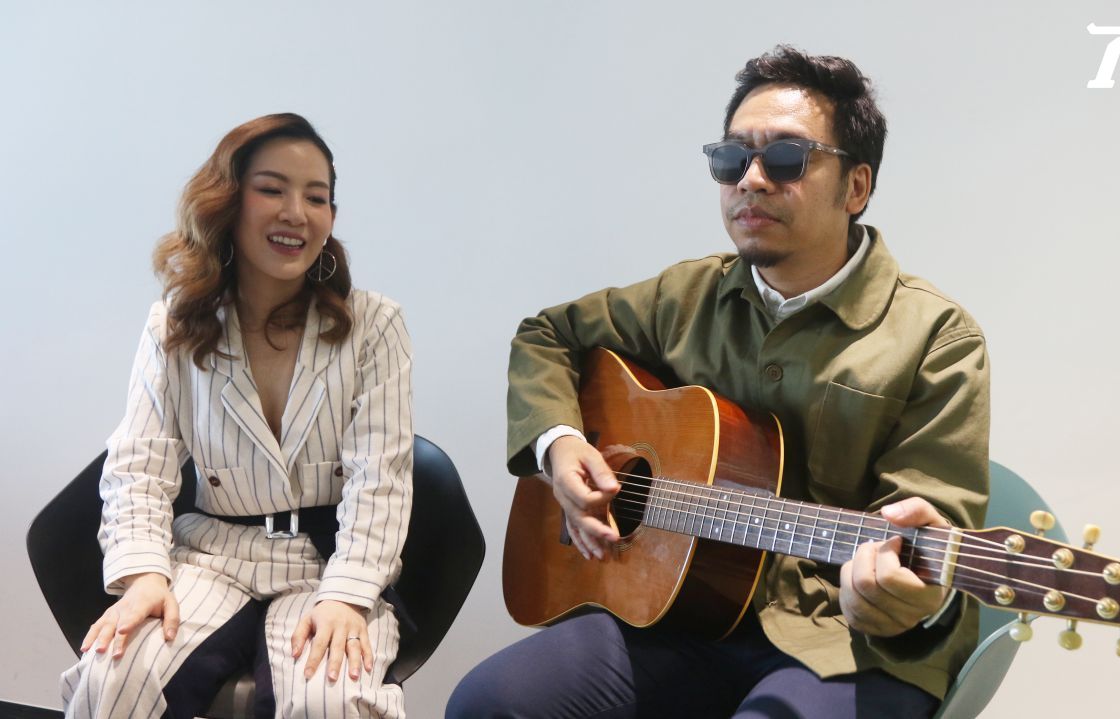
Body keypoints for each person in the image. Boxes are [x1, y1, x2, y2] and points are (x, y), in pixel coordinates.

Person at [448, 45, 989, 718]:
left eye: (786, 158)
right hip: (683, 611)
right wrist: (560, 446)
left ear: (856, 187)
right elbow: (547, 335)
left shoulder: (937, 337)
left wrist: (897, 594)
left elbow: (931, 529)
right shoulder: (686, 294)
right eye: (732, 159)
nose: (751, 180)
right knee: (489, 703)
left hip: (842, 640)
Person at [60, 114, 414, 719]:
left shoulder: (374, 325)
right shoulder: (174, 322)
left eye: (317, 198)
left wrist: (349, 595)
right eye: (272, 189)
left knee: (329, 699)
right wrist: (144, 576)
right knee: (111, 676)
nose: (296, 213)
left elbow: (381, 478)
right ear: (227, 200)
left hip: (324, 561)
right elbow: (138, 467)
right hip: (208, 555)